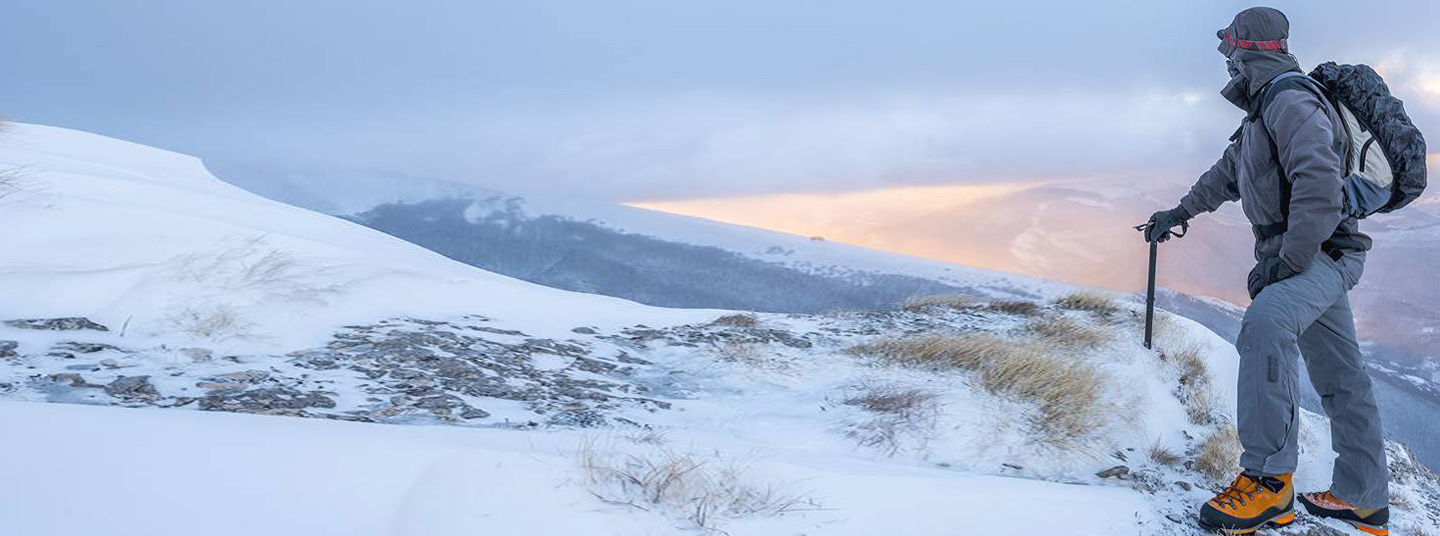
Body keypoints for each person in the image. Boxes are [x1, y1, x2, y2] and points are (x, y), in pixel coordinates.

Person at [1145, 7, 1390, 536]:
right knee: (1341, 375)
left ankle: (1268, 482)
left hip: (1321, 251)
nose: (1226, 61)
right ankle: (1364, 497)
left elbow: (1319, 185)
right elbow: (1225, 175)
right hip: (1317, 252)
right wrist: (1178, 214)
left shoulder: (1290, 99)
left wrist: (1288, 262)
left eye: (1230, 49)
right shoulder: (1261, 111)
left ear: (1248, 49)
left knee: (1265, 324)